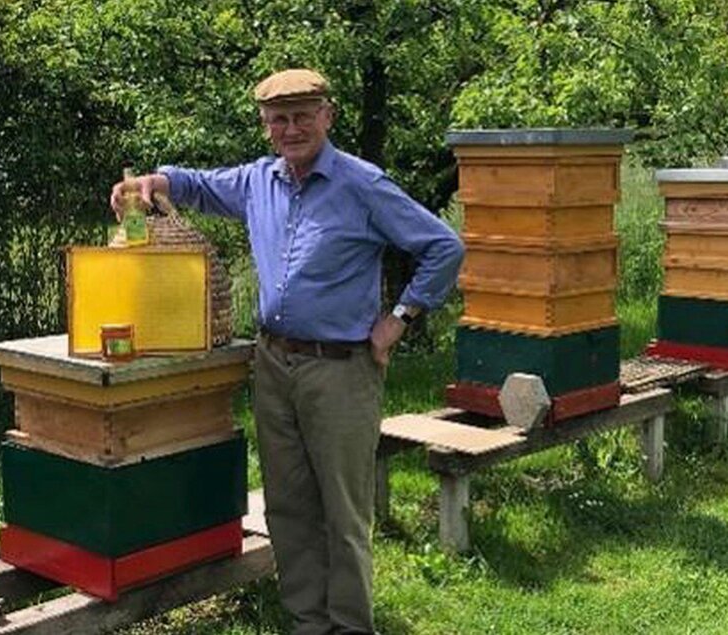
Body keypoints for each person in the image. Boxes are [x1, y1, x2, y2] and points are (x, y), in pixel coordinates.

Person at [109, 68, 464, 635]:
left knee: (343, 511)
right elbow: (198, 186)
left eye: (303, 115)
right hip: (274, 364)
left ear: (328, 115)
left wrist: (398, 321)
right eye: (280, 118)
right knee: (288, 505)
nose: (292, 128)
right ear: (265, 125)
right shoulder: (258, 181)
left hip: (342, 368)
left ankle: (349, 625)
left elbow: (443, 246)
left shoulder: (361, 184)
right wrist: (153, 182)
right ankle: (307, 622)